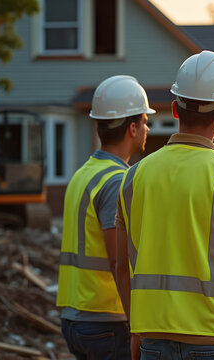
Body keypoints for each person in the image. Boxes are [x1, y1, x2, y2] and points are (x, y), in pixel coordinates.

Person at [115, 50, 214, 360]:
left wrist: (137, 330)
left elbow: (122, 266)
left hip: (154, 341)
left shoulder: (133, 178)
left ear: (174, 108)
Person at [57, 75, 153, 360]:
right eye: (146, 122)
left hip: (76, 318)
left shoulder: (84, 173)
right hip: (106, 321)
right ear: (132, 128)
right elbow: (117, 260)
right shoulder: (115, 181)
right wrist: (137, 323)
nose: (148, 128)